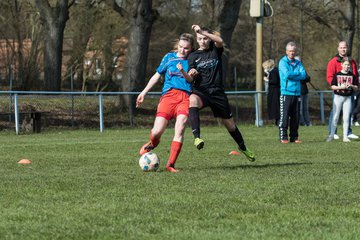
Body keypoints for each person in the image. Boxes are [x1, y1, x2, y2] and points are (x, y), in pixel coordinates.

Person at [186, 24, 255, 162]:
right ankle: (197, 138)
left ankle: (242, 147)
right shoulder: (193, 55)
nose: (203, 41)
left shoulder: (215, 50)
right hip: (202, 92)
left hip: (217, 93)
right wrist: (191, 72)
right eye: (200, 38)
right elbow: (190, 74)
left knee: (230, 125)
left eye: (205, 38)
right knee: (192, 99)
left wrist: (203, 32)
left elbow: (220, 41)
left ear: (209, 39)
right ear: (197, 39)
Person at [136, 33, 195, 173]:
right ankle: (153, 143)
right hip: (168, 97)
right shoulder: (169, 58)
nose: (182, 50)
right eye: (180, 47)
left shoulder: (193, 60)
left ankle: (171, 164)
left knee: (180, 128)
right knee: (156, 132)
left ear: (192, 48)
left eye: (186, 48)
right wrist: (144, 92)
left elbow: (192, 80)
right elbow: (157, 75)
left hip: (185, 98)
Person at [326, 41, 359, 140]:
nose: (343, 49)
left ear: (347, 48)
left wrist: (355, 86)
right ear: (338, 48)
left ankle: (347, 132)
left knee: (348, 113)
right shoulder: (333, 61)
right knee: (335, 113)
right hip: (338, 92)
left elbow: (355, 76)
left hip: (349, 92)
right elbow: (330, 77)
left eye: (344, 47)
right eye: (341, 47)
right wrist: (339, 85)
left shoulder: (352, 61)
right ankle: (333, 132)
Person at [278, 42, 307, 143]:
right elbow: (287, 75)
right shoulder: (282, 62)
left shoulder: (298, 63)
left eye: (293, 51)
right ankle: (283, 137)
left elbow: (304, 75)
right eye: (290, 51)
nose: (292, 53)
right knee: (284, 116)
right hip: (286, 93)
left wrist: (296, 74)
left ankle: (294, 137)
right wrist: (297, 74)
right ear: (286, 52)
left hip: (297, 93)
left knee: (296, 117)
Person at [262, 59, 280, 125]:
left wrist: (267, 80)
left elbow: (275, 81)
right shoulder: (273, 71)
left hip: (275, 92)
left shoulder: (274, 71)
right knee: (275, 107)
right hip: (274, 92)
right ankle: (277, 121)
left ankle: (278, 121)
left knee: (276, 107)